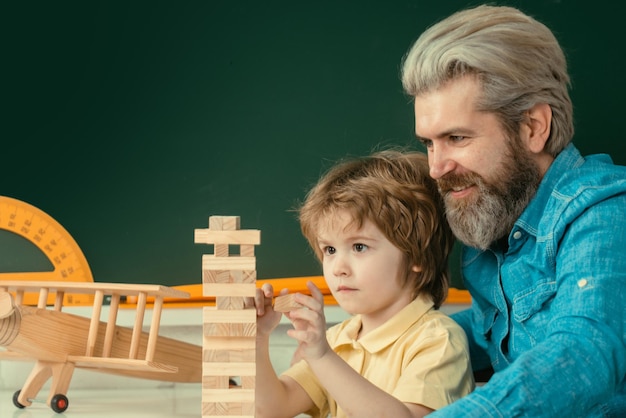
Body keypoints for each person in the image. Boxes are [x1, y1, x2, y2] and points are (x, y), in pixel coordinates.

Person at [401, 4, 626, 417]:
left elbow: (585, 350)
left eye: (456, 137)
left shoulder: (605, 212)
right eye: (428, 142)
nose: (436, 168)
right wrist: (389, 348)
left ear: (533, 128)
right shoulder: (495, 210)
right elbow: (495, 334)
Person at [252, 150, 474, 418]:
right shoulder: (336, 340)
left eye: (359, 246)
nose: (338, 268)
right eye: (329, 250)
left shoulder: (438, 340)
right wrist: (256, 340)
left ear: (417, 256)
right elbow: (271, 409)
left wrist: (322, 357)